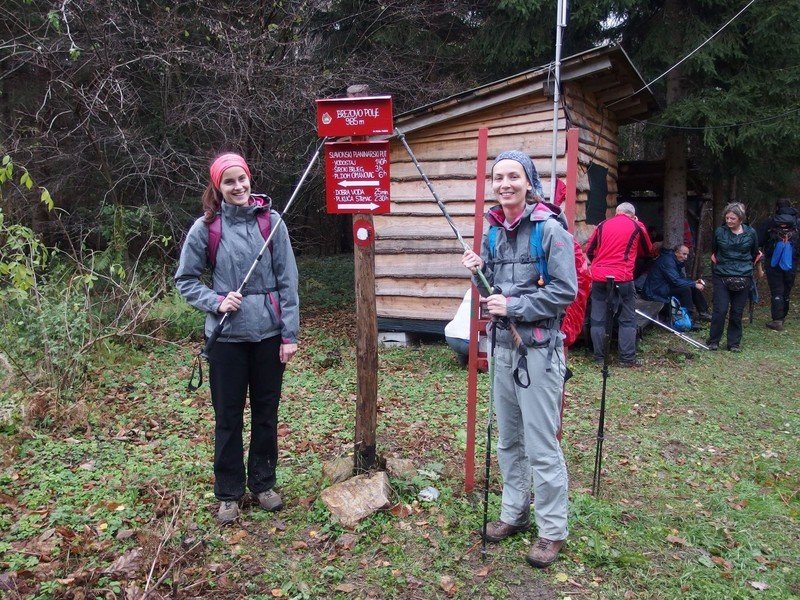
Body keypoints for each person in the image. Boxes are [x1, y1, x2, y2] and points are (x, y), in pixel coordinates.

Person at [461, 150, 577, 569]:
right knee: (509, 439)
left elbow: (566, 290)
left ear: (528, 183)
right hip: (503, 350)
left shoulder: (550, 229)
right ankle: (514, 512)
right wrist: (477, 271)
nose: (505, 183)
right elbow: (491, 293)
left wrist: (514, 307)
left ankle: (551, 530)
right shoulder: (493, 232)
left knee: (542, 446)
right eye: (499, 177)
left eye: (513, 176)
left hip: (539, 352)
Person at [175, 153, 299, 524]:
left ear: (249, 179)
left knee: (266, 413)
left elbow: (288, 280)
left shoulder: (272, 223)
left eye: (241, 179)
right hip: (226, 339)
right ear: (218, 187)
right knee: (227, 417)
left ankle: (263, 483)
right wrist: (216, 300)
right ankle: (229, 492)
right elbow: (185, 280)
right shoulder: (206, 228)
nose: (238, 187)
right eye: (229, 182)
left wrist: (288, 333)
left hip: (269, 335)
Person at [585, 202, 655, 367]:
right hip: (622, 277)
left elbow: (590, 249)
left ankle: (599, 358)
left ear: (617, 212)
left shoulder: (602, 225)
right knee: (627, 318)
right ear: (632, 214)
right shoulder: (636, 225)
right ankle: (626, 359)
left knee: (598, 318)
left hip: (600, 277)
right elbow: (648, 250)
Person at [706, 202, 759, 352]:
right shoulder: (719, 232)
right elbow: (714, 251)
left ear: (740, 219)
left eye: (732, 218)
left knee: (737, 312)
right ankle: (713, 341)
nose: (729, 221)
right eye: (727, 218)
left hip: (744, 275)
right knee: (720, 310)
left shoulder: (751, 233)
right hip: (722, 274)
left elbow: (754, 252)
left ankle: (733, 343)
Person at [758, 198, 798, 331]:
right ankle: (783, 315)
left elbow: (759, 240)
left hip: (773, 261)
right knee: (786, 290)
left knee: (776, 290)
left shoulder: (771, 221)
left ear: (777, 208)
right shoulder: (797, 222)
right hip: (791, 261)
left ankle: (777, 320)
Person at [642, 244, 710, 321]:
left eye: (687, 255)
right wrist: (694, 284)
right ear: (676, 252)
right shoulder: (668, 261)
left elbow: (679, 279)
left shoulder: (674, 260)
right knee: (686, 289)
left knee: (692, 287)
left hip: (665, 287)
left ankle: (704, 313)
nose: (686, 257)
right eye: (684, 254)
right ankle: (687, 318)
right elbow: (675, 281)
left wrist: (694, 283)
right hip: (655, 291)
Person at [444, 289, 472, 367]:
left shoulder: (470, 290)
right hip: (469, 343)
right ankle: (481, 367)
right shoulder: (492, 291)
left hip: (450, 336)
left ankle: (463, 363)